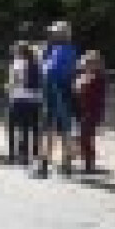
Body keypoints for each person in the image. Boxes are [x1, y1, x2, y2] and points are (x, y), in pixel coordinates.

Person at [37, 21, 79, 178]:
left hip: (56, 91)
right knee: (64, 129)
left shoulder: (59, 50)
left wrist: (43, 60)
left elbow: (49, 72)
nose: (51, 35)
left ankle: (44, 165)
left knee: (49, 129)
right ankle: (66, 166)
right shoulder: (70, 50)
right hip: (64, 91)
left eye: (54, 33)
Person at [6, 42, 43, 167]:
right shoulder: (37, 64)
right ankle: (35, 154)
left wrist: (8, 87)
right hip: (35, 99)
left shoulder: (16, 64)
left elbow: (14, 81)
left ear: (19, 51)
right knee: (33, 128)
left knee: (18, 128)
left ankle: (18, 155)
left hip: (19, 98)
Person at [75, 50, 107, 174]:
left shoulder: (98, 77)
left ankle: (89, 164)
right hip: (84, 109)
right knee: (84, 137)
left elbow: (82, 89)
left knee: (86, 136)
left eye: (88, 62)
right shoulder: (87, 75)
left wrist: (81, 83)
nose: (85, 65)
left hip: (92, 110)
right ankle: (87, 162)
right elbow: (78, 89)